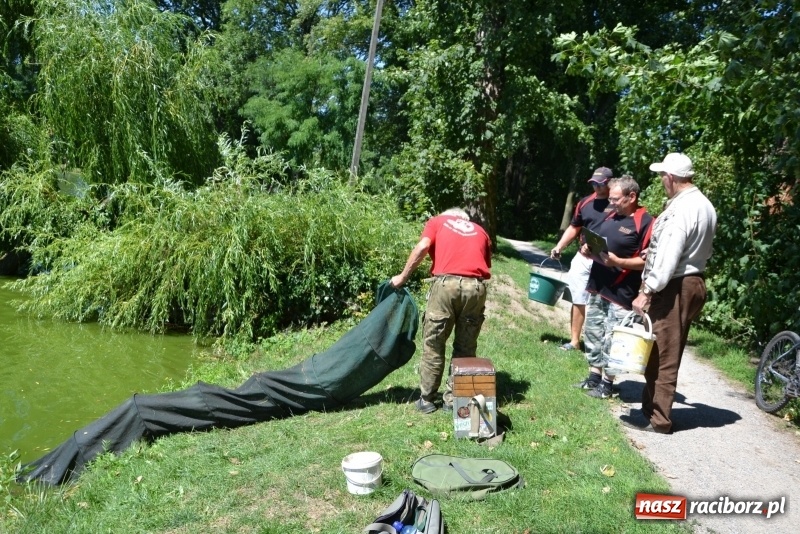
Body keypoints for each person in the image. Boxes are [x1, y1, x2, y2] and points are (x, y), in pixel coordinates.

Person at [623, 153, 717, 434]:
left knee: (663, 352)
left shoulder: (680, 210)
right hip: (693, 279)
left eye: (663, 176)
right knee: (666, 347)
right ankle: (650, 408)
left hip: (674, 284)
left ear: (672, 178)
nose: (662, 181)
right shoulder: (704, 205)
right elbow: (698, 248)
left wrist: (648, 290)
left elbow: (671, 254)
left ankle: (659, 419)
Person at [390, 208, 492, 414]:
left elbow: (423, 246)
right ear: (465, 219)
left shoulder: (437, 221)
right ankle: (454, 400)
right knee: (466, 347)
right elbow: (482, 264)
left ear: (449, 215)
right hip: (476, 288)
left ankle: (427, 399)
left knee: (434, 343)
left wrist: (402, 278)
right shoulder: (481, 231)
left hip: (446, 285)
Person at [572, 176, 653, 399]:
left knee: (614, 338)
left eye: (617, 199)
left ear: (632, 197)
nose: (612, 202)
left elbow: (648, 261)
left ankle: (607, 384)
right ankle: (593, 377)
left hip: (622, 292)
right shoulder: (611, 214)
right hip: (599, 286)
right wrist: (588, 248)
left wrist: (619, 262)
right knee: (594, 331)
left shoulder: (645, 222)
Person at [551, 167, 614, 351]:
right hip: (583, 257)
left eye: (601, 184)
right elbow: (574, 227)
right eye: (594, 183)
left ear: (610, 183)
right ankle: (575, 341)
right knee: (578, 298)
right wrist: (559, 246)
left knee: (603, 303)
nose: (597, 187)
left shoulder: (617, 203)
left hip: (606, 261)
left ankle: (600, 344)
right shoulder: (585, 203)